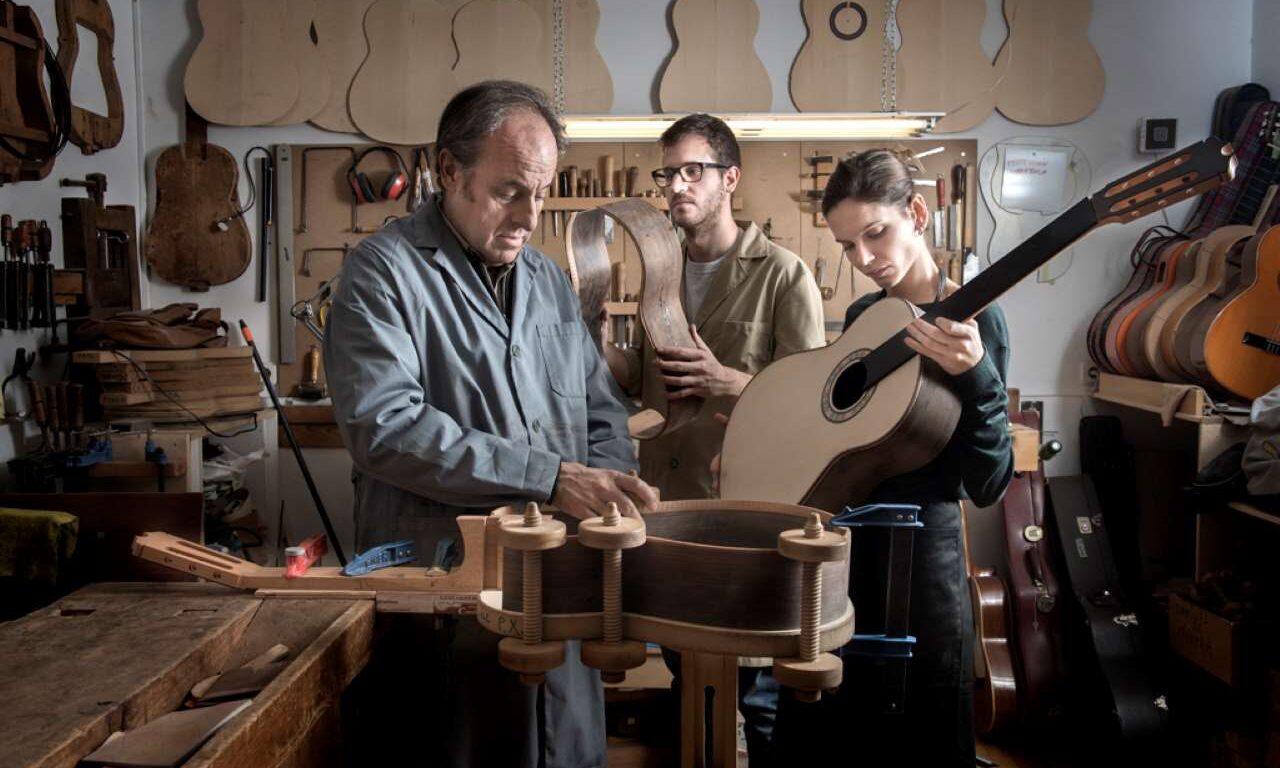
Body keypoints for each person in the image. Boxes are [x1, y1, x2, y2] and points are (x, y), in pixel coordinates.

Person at [324, 80, 658, 768]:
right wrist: (551, 478)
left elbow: (600, 409)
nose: (530, 214)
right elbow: (385, 427)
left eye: (542, 192)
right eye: (510, 191)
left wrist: (610, 486)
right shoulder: (381, 273)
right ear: (449, 171)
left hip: (560, 587)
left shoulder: (546, 280)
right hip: (446, 592)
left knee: (563, 748)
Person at [775, 148, 1013, 766]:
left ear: (917, 212)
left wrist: (981, 379)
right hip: (845, 552)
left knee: (920, 735)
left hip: (921, 565)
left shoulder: (978, 319)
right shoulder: (861, 318)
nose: (864, 259)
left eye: (875, 234)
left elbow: (988, 483)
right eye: (849, 245)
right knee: (830, 731)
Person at [600, 113, 825, 765]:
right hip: (664, 507)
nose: (676, 186)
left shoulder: (783, 275)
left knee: (756, 696)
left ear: (730, 178)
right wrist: (589, 338)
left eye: (691, 171)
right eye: (667, 173)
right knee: (687, 681)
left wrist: (728, 380)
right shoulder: (659, 273)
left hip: (741, 516)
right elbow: (640, 381)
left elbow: (812, 410)